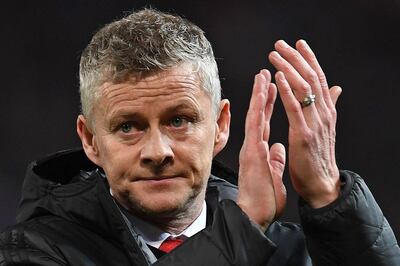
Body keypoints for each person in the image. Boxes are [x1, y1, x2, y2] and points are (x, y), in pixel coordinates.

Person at [0, 8, 398, 266]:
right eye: (128, 127)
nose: (157, 151)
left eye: (179, 120)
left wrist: (329, 198)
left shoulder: (291, 253)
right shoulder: (30, 252)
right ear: (90, 141)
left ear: (221, 125)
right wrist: (241, 228)